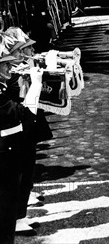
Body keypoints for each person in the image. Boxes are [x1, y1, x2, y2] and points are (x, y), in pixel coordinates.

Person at [0, 47, 43, 242]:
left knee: (8, 209)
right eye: (5, 65)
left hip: (8, 149)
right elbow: (24, 113)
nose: (10, 67)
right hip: (3, 154)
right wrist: (36, 84)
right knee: (5, 213)